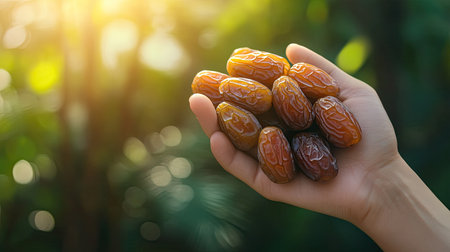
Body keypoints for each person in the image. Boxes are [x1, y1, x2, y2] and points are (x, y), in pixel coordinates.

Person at [189, 44, 450, 251]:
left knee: (277, 118)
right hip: (290, 128)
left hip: (304, 129)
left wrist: (380, 177)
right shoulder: (281, 100)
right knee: (270, 122)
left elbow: (304, 110)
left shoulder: (303, 97)